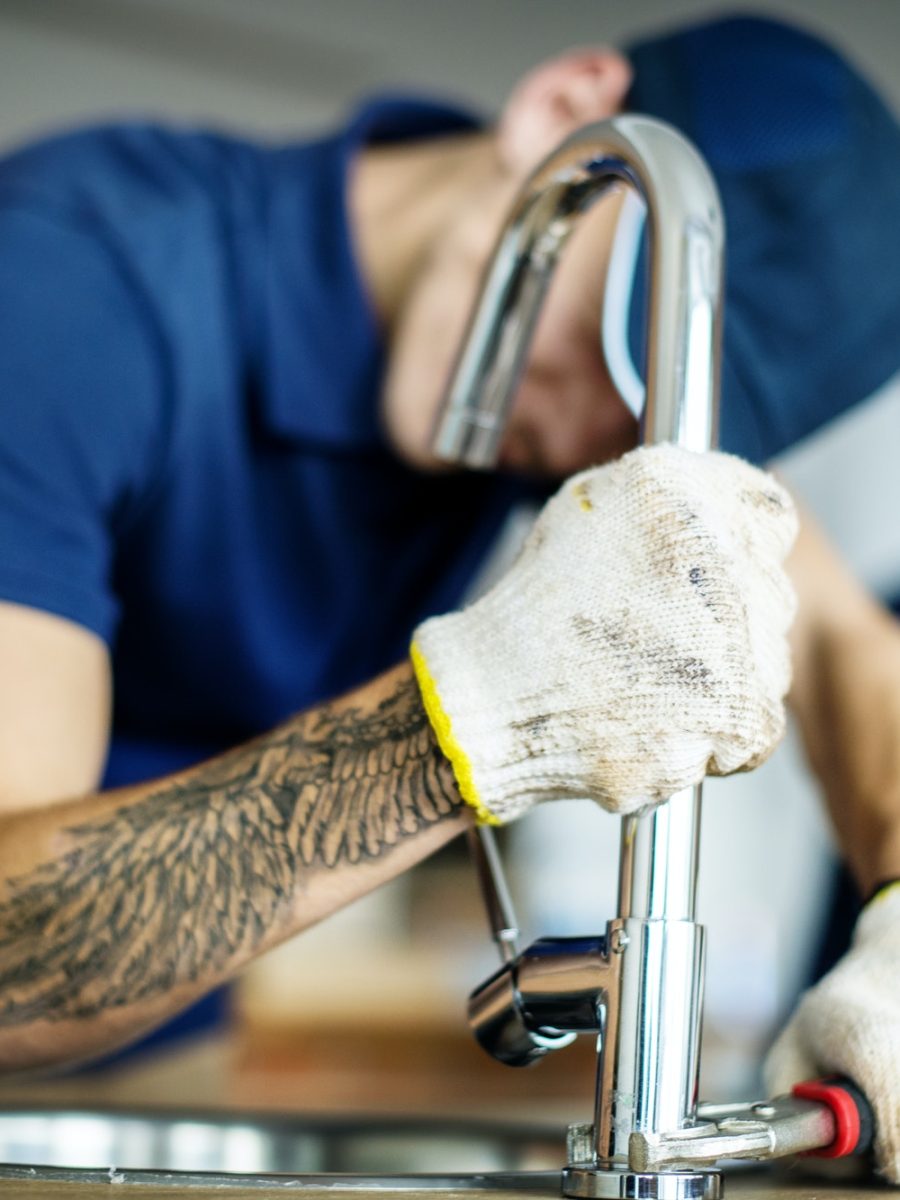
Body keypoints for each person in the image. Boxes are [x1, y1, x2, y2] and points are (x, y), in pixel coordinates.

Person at [0, 10, 897, 1179]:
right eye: (612, 350)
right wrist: (467, 720)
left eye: (648, 415)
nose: (591, 437)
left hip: (159, 1059)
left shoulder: (557, 403)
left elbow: (844, 651)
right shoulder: (68, 288)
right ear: (563, 118)